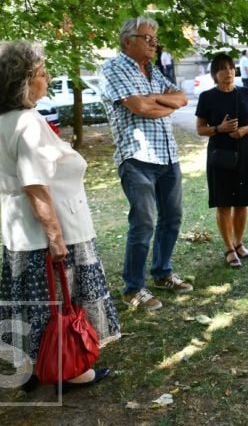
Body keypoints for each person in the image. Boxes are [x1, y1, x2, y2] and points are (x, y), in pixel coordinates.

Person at [0, 40, 119, 393]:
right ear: (21, 83)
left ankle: (37, 367)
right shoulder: (27, 122)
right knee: (59, 303)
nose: (47, 78)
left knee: (34, 304)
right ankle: (70, 371)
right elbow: (36, 187)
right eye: (40, 73)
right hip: (52, 230)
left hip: (21, 231)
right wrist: (56, 238)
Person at [100, 16, 193, 311]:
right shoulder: (112, 69)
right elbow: (139, 108)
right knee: (144, 222)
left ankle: (162, 273)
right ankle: (133, 289)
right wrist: (157, 103)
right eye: (148, 39)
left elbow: (182, 99)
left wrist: (153, 99)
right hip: (136, 157)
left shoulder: (154, 71)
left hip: (167, 155)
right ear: (129, 40)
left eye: (155, 39)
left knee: (172, 217)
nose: (154, 44)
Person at [195, 53, 248, 268]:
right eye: (223, 69)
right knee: (223, 203)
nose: (229, 72)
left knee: (242, 201)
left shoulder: (245, 93)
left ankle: (239, 244)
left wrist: (244, 130)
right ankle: (229, 249)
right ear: (215, 74)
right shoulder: (207, 97)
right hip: (220, 154)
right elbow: (200, 129)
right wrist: (219, 129)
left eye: (231, 68)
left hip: (244, 152)